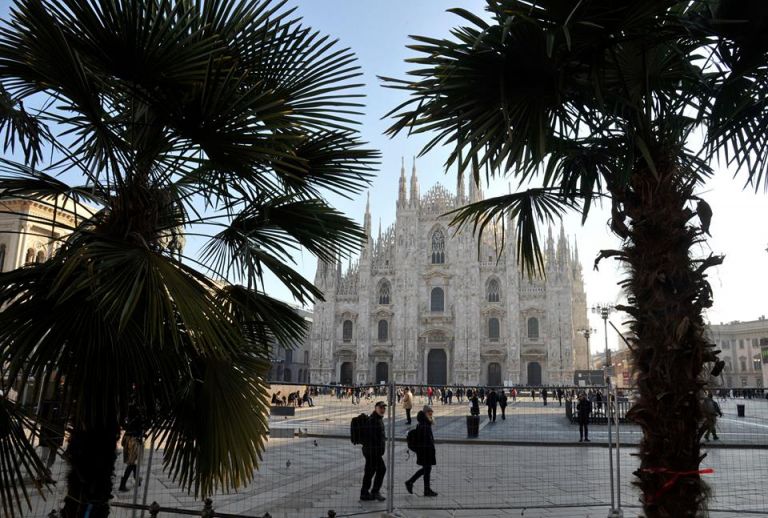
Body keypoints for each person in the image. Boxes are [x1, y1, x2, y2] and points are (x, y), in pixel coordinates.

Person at [405, 406, 438, 497]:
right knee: (427, 469)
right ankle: (414, 484)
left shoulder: (425, 423)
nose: (431, 414)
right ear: (425, 413)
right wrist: (428, 450)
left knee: (426, 469)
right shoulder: (424, 425)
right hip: (425, 452)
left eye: (432, 412)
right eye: (429, 412)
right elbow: (424, 440)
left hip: (426, 451)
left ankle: (423, 488)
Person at [360, 401, 388, 501]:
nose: (383, 409)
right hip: (372, 452)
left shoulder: (378, 419)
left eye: (384, 408)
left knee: (370, 472)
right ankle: (374, 492)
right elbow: (371, 438)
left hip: (373, 452)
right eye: (381, 407)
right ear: (376, 408)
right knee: (380, 470)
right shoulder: (373, 420)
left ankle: (365, 493)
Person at [119, 401, 144, 491]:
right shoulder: (139, 416)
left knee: (133, 463)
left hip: (127, 438)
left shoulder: (130, 412)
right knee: (132, 463)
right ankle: (123, 483)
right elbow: (139, 428)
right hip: (134, 440)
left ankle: (136, 479)